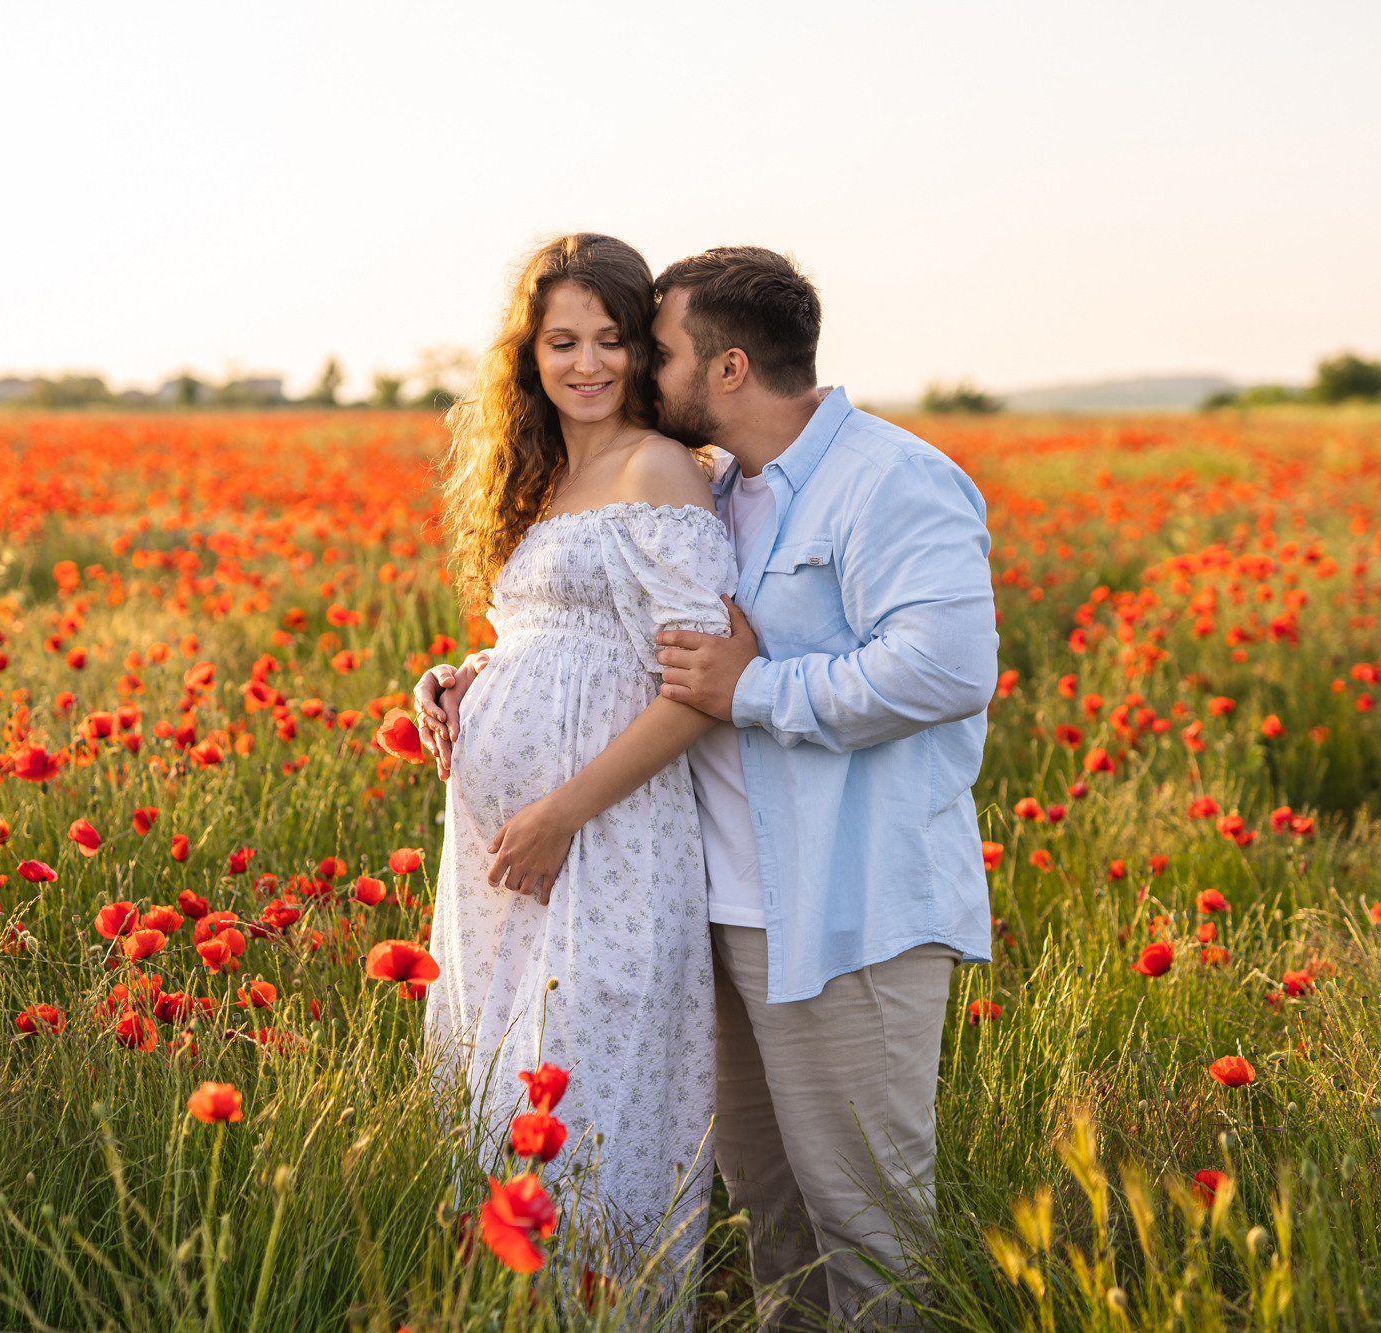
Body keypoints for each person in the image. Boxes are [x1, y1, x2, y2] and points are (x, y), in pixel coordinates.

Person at [423, 246, 998, 1328]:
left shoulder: (888, 478)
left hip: (845, 907)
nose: (632, 364)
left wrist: (756, 688)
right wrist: (480, 681)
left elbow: (946, 667)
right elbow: (613, 648)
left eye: (651, 345)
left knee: (865, 1221)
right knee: (770, 1217)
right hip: (717, 905)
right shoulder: (732, 489)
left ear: (724, 367)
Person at [416, 232, 735, 1289]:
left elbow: (697, 685)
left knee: (570, 1104)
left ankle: (599, 1307)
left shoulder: (656, 466)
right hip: (500, 861)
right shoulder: (540, 472)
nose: (586, 363)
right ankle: (501, 1309)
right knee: (485, 1105)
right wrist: (461, 679)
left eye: (608, 339)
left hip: (606, 845)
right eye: (561, 340)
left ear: (641, 351)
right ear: (529, 353)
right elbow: (546, 640)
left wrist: (561, 811)